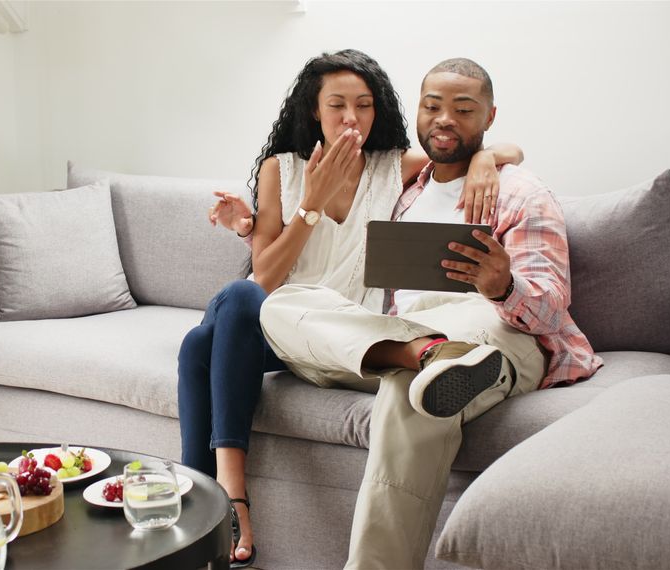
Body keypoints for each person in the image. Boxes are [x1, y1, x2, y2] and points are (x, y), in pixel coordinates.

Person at [176, 49, 523, 568]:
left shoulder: (395, 166)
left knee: (197, 343)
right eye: (336, 104)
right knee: (240, 297)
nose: (351, 118)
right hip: (272, 330)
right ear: (314, 110)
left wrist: (483, 160)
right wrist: (309, 206)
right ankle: (229, 495)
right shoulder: (282, 170)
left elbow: (496, 148)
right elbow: (265, 278)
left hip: (344, 341)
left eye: (363, 105)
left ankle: (208, 507)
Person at [258, 58, 603, 569]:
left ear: (488, 117)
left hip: (493, 329)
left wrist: (503, 284)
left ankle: (435, 359)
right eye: (433, 106)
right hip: (404, 337)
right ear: (416, 113)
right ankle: (427, 355)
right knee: (280, 304)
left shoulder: (519, 193)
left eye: (464, 109)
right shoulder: (406, 188)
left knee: (414, 390)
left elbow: (551, 309)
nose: (445, 119)